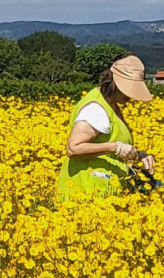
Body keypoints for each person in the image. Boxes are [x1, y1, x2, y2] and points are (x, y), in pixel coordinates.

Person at [57, 54, 156, 201]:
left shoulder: (110, 104)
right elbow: (73, 148)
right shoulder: (96, 109)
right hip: (86, 194)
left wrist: (138, 155)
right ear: (114, 83)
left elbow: (112, 141)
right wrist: (115, 147)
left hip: (104, 192)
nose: (131, 97)